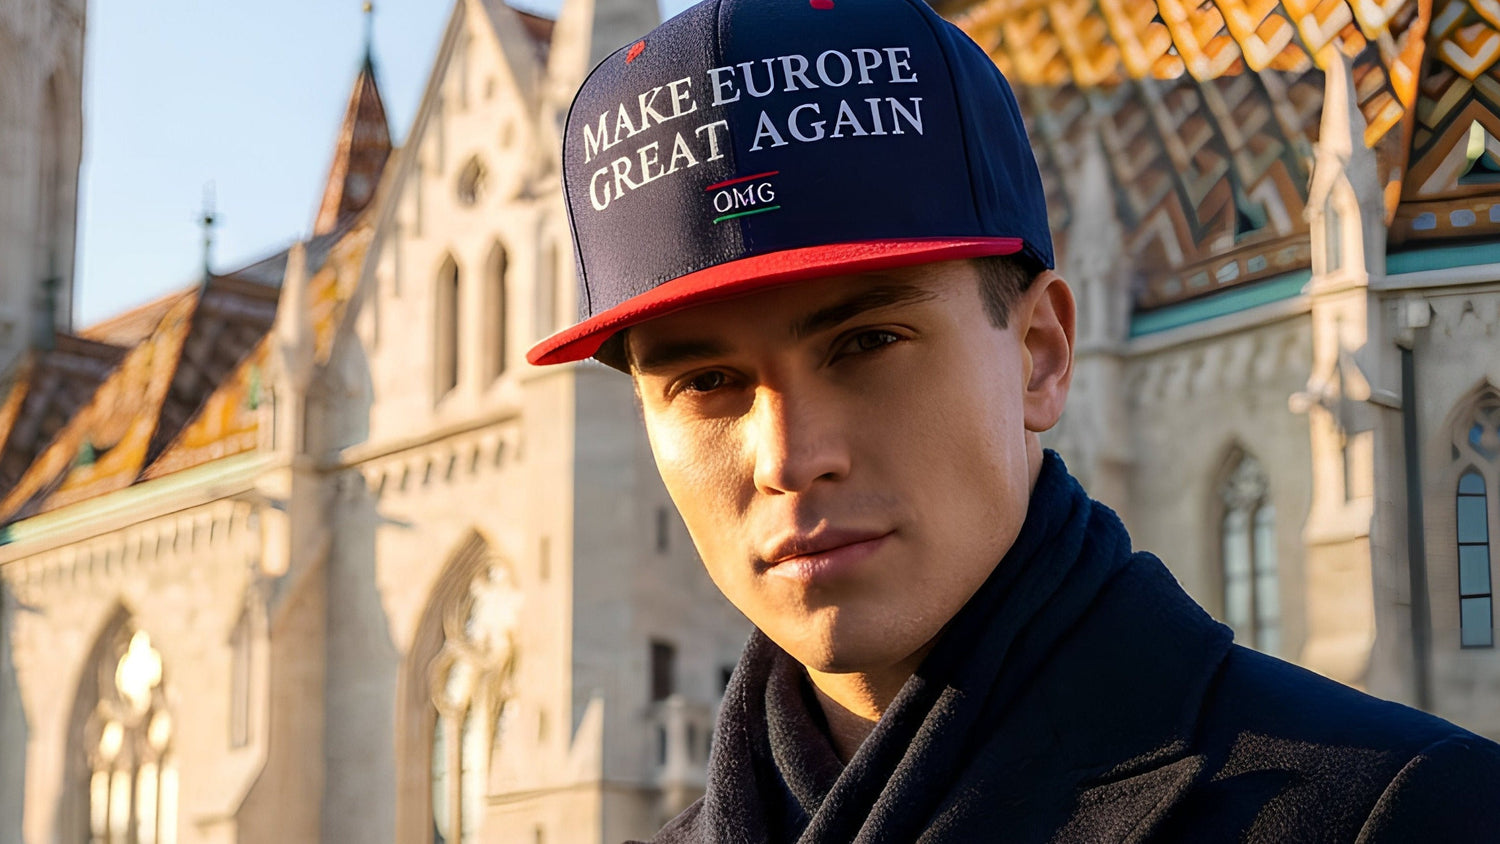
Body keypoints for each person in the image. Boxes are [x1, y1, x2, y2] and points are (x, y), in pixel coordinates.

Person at [526, 0, 1500, 840]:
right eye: (706, 382)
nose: (791, 455)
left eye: (865, 342)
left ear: (1041, 353)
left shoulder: (1409, 815)